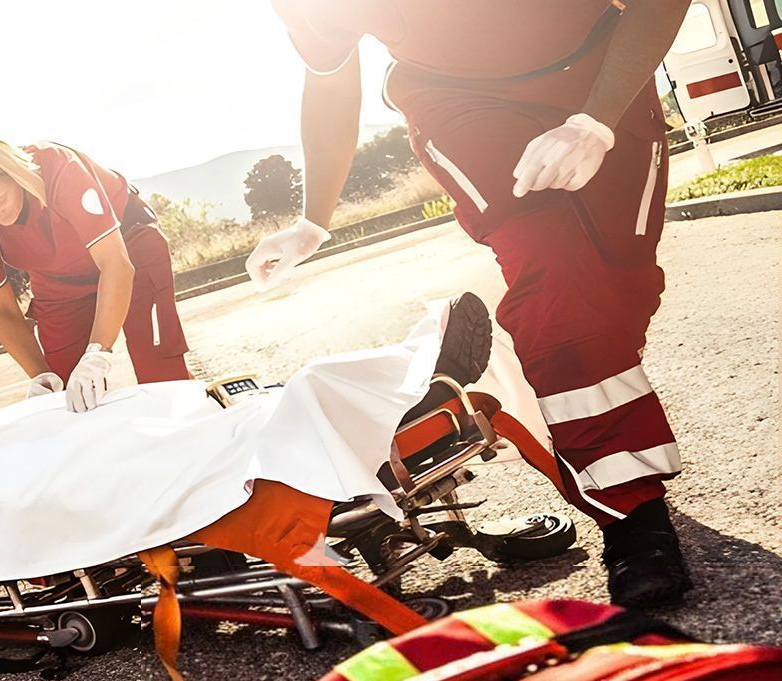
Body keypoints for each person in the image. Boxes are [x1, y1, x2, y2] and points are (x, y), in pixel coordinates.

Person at [250, 0, 693, 607]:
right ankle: (630, 511)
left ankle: (582, 389)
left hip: (598, 66)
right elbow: (329, 79)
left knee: (619, 286)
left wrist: (596, 119)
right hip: (455, 102)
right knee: (556, 276)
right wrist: (313, 221)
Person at [0, 134, 190, 413]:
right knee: (66, 393)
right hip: (56, 279)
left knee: (160, 372)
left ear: (15, 174)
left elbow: (116, 265)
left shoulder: (58, 168)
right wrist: (40, 375)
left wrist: (97, 352)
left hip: (129, 246)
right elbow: (1, 309)